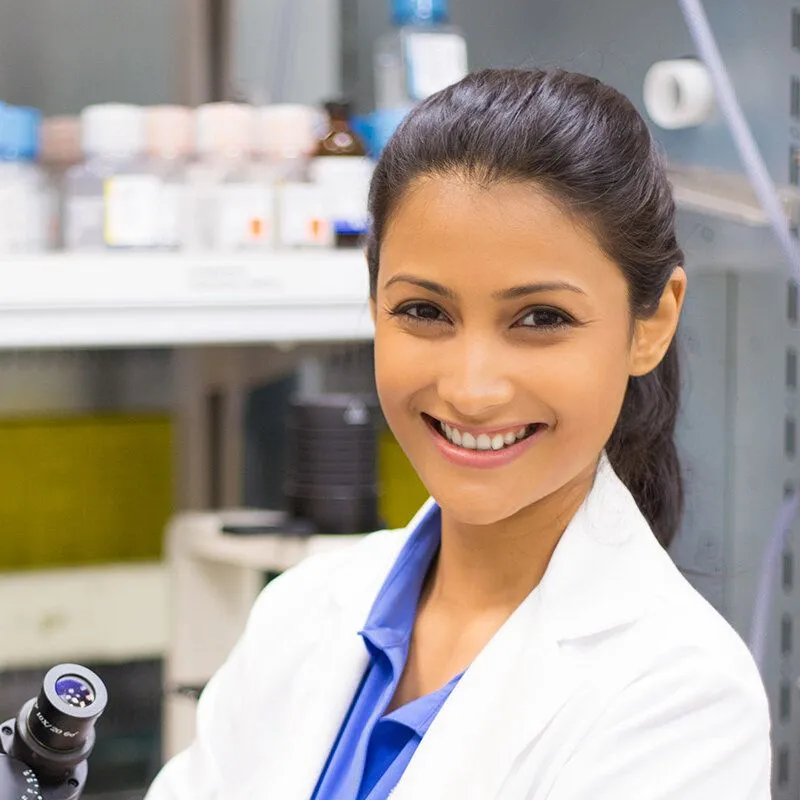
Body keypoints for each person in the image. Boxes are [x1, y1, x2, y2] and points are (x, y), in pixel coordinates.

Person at [146, 68, 771, 799]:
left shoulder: (683, 699)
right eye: (424, 311)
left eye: (541, 318)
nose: (472, 389)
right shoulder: (303, 608)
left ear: (652, 323)